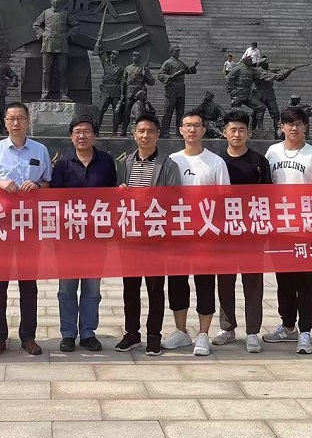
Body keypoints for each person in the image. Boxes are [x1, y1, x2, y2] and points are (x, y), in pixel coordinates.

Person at [0, 102, 52, 356]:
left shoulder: (40, 150)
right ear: (5, 122)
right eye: (12, 119)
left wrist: (38, 186)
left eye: (21, 118)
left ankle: (28, 336)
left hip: (29, 226)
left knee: (28, 283)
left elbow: (48, 184)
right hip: (0, 226)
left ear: (28, 121)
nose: (16, 123)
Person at [262, 106, 312, 354]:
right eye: (290, 124)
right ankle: (287, 325)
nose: (294, 128)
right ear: (281, 126)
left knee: (306, 281)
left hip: (307, 229)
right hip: (279, 229)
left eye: (299, 124)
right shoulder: (272, 152)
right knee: (284, 280)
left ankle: (305, 332)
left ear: (305, 127)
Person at [166, 108, 231, 357]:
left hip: (205, 233)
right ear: (181, 130)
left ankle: (203, 334)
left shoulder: (215, 162)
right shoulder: (172, 160)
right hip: (178, 233)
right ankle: (181, 331)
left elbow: (225, 199)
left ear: (204, 130)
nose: (192, 129)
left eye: (196, 125)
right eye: (187, 125)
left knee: (205, 282)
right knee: (177, 283)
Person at [115, 114, 181, 356]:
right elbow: (116, 200)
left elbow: (175, 198)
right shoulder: (124, 164)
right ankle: (132, 334)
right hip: (130, 236)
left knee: (155, 288)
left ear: (157, 135)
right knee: (130, 287)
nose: (145, 136)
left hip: (155, 236)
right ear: (134, 134)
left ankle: (154, 335)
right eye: (141, 131)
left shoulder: (168, 165)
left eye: (150, 131)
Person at [51, 115, 117, 352]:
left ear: (94, 135)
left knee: (92, 289)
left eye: (87, 131)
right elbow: (53, 200)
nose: (82, 136)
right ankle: (68, 333)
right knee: (67, 289)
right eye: (77, 131)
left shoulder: (106, 162)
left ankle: (88, 333)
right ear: (71, 136)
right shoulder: (62, 164)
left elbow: (113, 196)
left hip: (96, 237)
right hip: (68, 238)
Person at [216, 110, 271, 353]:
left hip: (252, 232)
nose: (237, 134)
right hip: (224, 232)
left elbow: (268, 196)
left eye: (241, 130)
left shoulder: (259, 161)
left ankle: (252, 332)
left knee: (253, 282)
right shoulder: (217, 161)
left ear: (249, 133)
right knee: (225, 281)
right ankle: (227, 328)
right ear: (224, 133)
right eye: (233, 129)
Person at [157, 45, 198, 135]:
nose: (178, 53)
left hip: (181, 88)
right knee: (168, 111)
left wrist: (193, 67)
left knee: (180, 112)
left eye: (178, 51)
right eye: (176, 51)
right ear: (172, 52)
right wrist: (171, 77)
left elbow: (187, 70)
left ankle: (179, 132)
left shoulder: (180, 63)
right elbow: (160, 75)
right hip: (171, 88)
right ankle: (165, 132)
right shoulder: (168, 63)